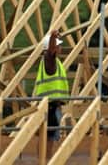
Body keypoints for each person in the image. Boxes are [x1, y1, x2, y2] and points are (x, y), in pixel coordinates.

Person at [34, 30, 69, 160]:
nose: (60, 48)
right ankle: (45, 161)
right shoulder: (49, 60)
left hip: (53, 106)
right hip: (49, 106)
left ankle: (45, 160)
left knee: (50, 137)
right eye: (58, 45)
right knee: (47, 138)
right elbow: (51, 52)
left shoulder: (55, 62)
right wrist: (53, 37)